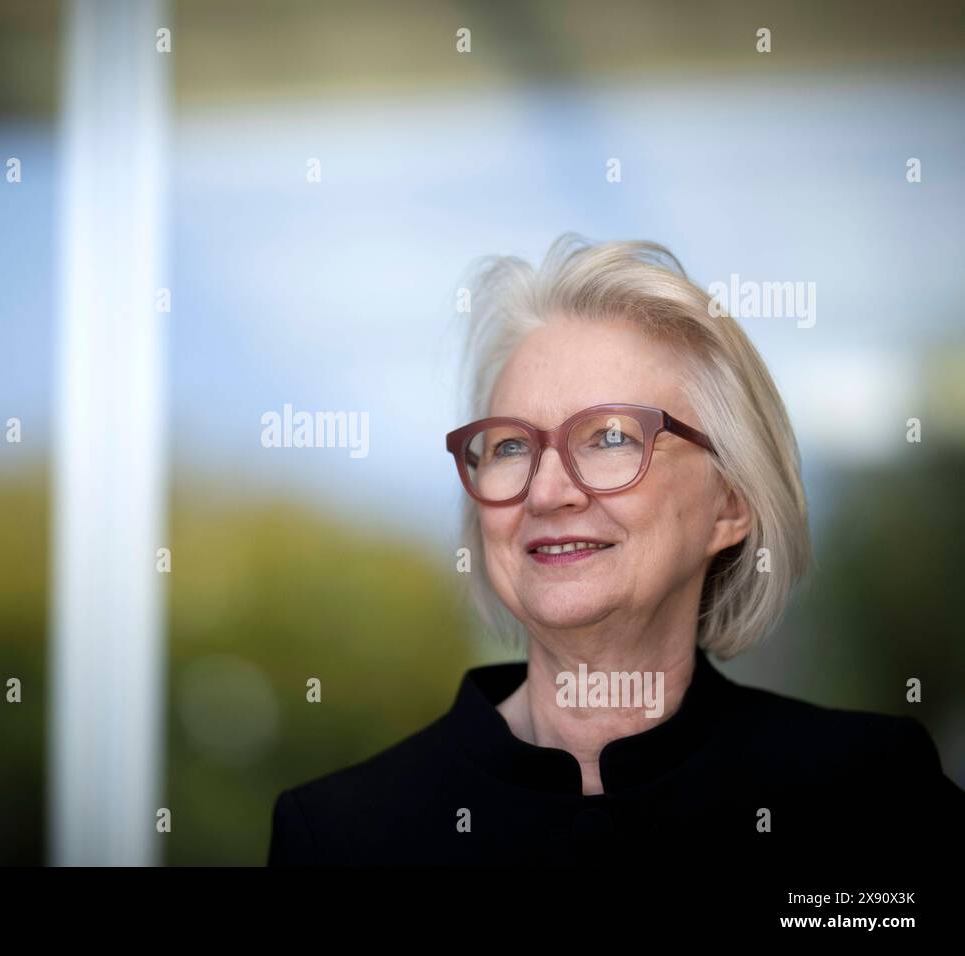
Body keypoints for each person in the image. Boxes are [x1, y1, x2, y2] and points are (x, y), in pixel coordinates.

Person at [267, 235, 965, 870]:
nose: (546, 491)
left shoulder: (871, 795)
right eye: (511, 446)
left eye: (608, 438)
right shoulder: (341, 837)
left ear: (730, 503)